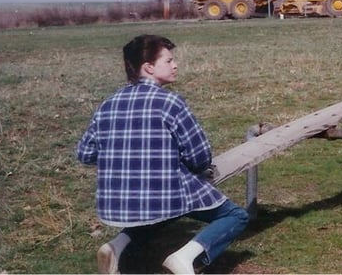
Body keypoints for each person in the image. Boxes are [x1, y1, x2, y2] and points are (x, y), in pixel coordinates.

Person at [76, 34, 249, 274]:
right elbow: (199, 157)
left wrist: (120, 157)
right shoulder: (170, 103)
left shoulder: (108, 104)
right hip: (162, 191)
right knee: (236, 216)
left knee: (161, 214)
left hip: (118, 202)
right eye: (168, 61)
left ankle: (117, 246)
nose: (175, 65)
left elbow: (85, 154)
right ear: (148, 67)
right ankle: (185, 258)